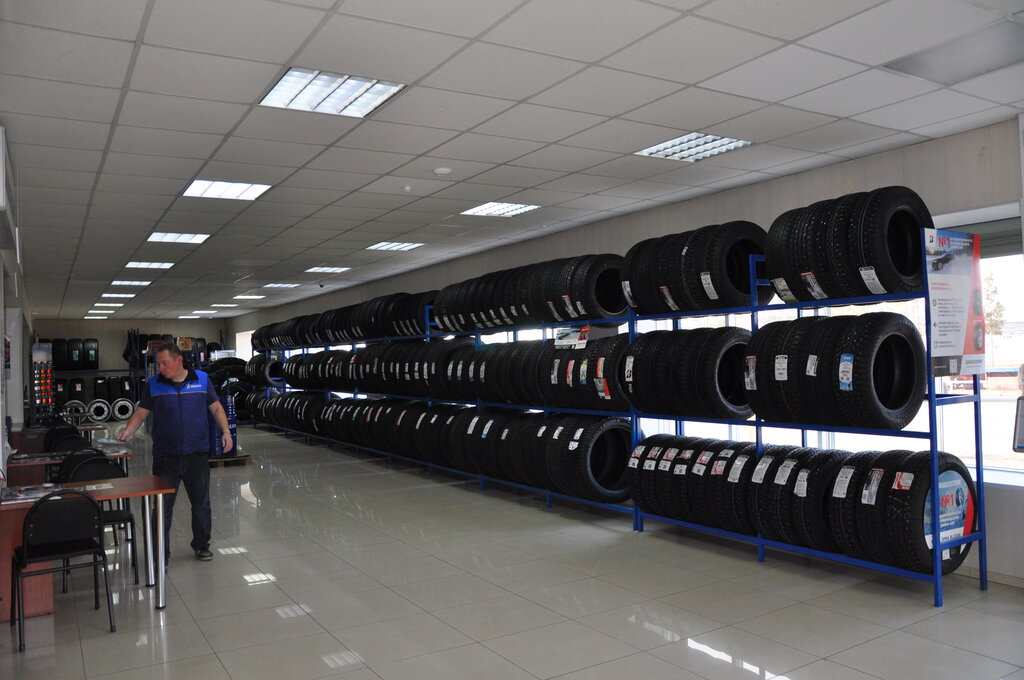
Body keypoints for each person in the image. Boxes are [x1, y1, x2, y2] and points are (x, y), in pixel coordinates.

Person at [117, 342, 233, 561]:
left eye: (165, 363)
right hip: (165, 457)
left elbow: (216, 408)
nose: (161, 368)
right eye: (158, 364)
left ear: (179, 360)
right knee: (162, 507)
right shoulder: (154, 384)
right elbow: (141, 412)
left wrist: (225, 431)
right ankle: (161, 552)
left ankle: (202, 545)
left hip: (196, 454)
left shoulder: (202, 379)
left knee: (201, 505)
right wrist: (128, 431)